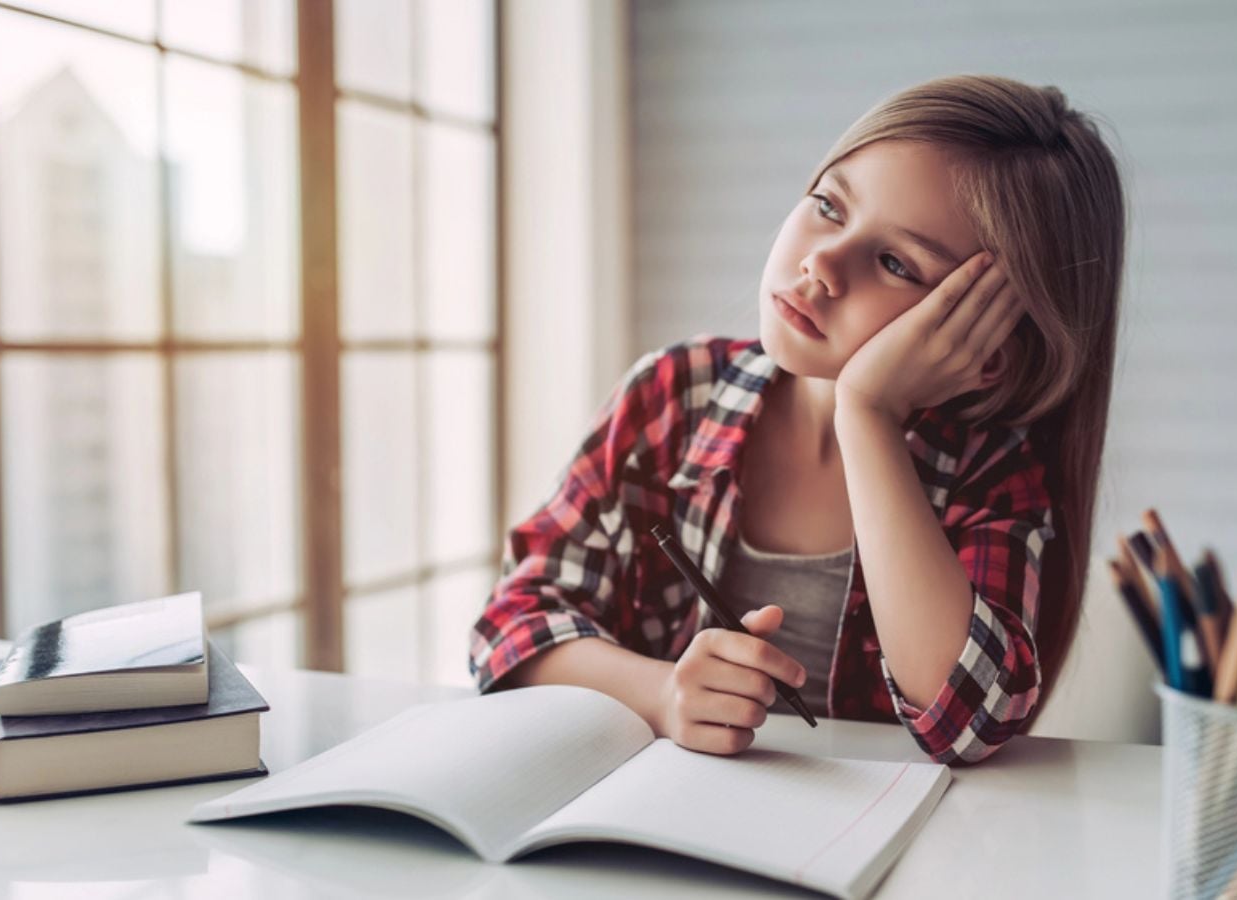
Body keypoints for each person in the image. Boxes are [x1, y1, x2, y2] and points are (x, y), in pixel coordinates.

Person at [469, 74, 1124, 765]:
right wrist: (662, 695)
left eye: (896, 263)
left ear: (988, 353)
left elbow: (971, 722)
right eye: (829, 206)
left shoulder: (989, 470)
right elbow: (510, 627)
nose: (822, 263)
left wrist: (867, 414)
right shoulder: (673, 395)